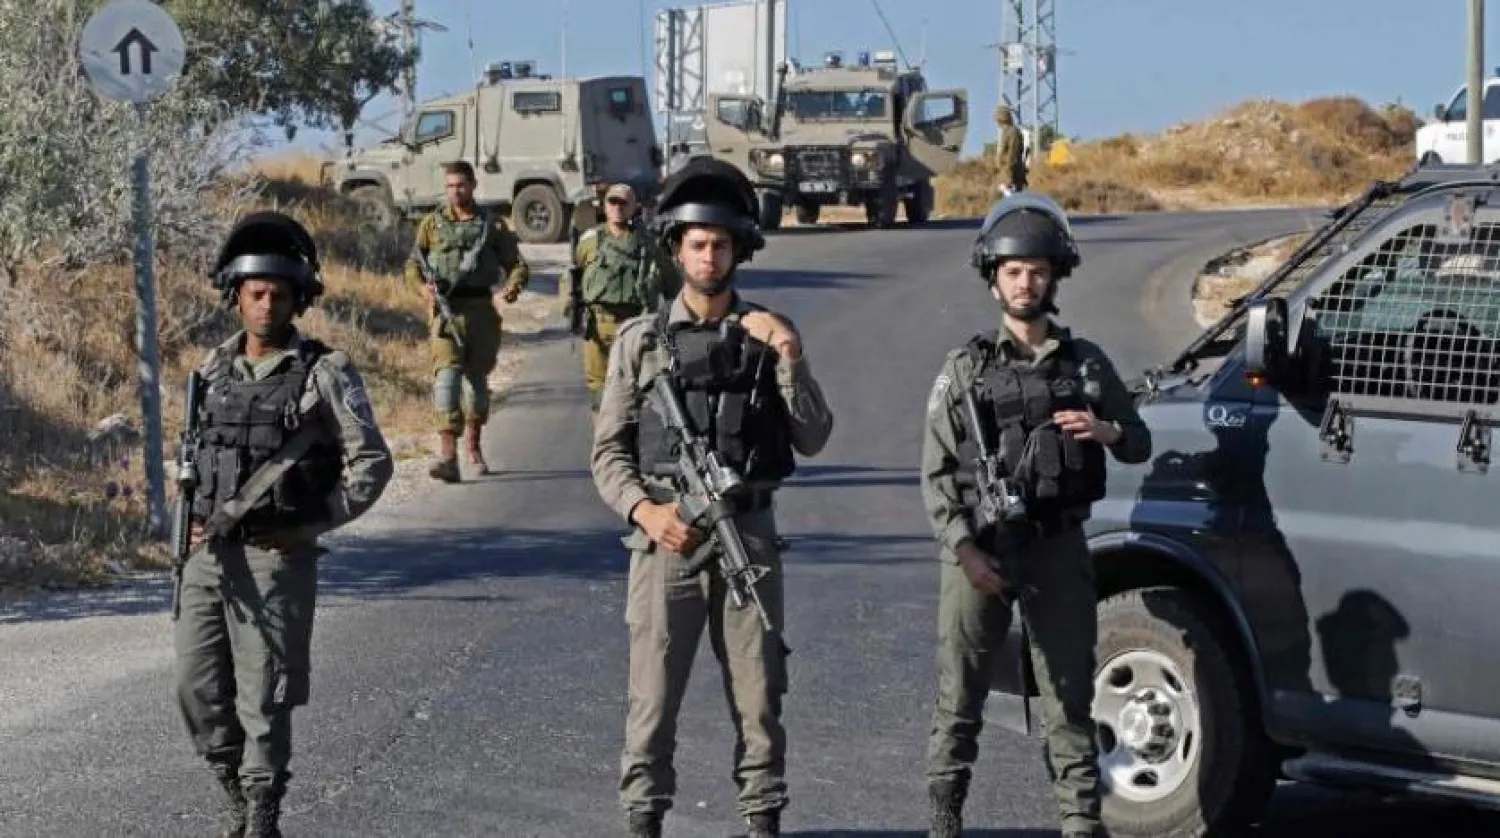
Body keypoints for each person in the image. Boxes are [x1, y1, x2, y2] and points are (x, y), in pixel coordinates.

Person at [590, 158, 835, 838]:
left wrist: (790, 356)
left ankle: (762, 817)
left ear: (739, 250)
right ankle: (644, 818)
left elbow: (814, 436)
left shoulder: (769, 333)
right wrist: (646, 512)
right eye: (697, 243)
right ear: (677, 248)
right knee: (651, 700)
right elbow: (608, 454)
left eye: (721, 244)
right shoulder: (640, 341)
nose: (709, 256)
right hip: (667, 540)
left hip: (747, 536)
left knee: (760, 695)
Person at [919, 193, 1151, 838]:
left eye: (1038, 271)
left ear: (1055, 278)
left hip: (1057, 546)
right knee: (959, 698)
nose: (1026, 283)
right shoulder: (966, 368)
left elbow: (1138, 441)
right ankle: (944, 818)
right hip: (981, 549)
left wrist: (1103, 429)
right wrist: (966, 551)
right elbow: (937, 474)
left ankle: (1080, 824)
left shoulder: (1086, 363)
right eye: (1014, 271)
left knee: (1069, 697)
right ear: (994, 277)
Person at [175, 211, 394, 837]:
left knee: (265, 695)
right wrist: (189, 526)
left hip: (276, 557)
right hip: (207, 555)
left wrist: (312, 525)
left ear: (299, 298)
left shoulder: (324, 372)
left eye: (278, 294)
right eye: (255, 293)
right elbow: (194, 459)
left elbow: (372, 462)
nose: (266, 305)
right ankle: (233, 789)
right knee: (196, 690)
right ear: (236, 297)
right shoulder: (211, 371)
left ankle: (261, 813)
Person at [404, 160, 530, 482]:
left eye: (460, 185)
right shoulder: (431, 224)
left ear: (473, 185)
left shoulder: (492, 225)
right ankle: (448, 457)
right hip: (446, 313)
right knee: (446, 380)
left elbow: (517, 264)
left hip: (481, 313)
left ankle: (473, 447)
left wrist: (512, 287)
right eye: (449, 186)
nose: (455, 191)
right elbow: (412, 265)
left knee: (476, 385)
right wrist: (422, 289)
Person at [563, 182, 663, 417]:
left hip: (633, 327)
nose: (618, 207)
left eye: (623, 203)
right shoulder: (590, 241)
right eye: (613, 201)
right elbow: (572, 276)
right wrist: (570, 309)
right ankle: (603, 438)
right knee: (599, 392)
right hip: (597, 326)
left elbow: (673, 284)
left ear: (634, 207)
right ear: (605, 206)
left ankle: (626, 437)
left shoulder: (648, 244)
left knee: (630, 393)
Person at [993, 105, 1028, 195]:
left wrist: (1008, 169)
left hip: (1012, 170)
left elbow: (1013, 151)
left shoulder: (1012, 131)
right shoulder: (1006, 131)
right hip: (1007, 168)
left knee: (1011, 193)